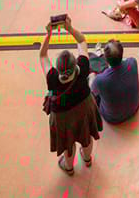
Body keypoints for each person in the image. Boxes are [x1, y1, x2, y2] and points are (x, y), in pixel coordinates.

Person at [39, 16, 102, 175]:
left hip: (62, 117)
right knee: (86, 136)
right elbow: (82, 41)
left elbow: (43, 56)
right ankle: (87, 160)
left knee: (68, 143)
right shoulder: (83, 67)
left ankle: (69, 167)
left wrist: (48, 35)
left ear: (58, 69)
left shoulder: (52, 78)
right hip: (84, 107)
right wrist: (69, 28)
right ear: (75, 65)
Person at [91, 39, 139, 125]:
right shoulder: (132, 62)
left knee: (93, 76)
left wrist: (92, 78)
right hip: (134, 108)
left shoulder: (100, 80)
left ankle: (98, 56)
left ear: (106, 59)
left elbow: (93, 92)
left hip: (113, 118)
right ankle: (100, 56)